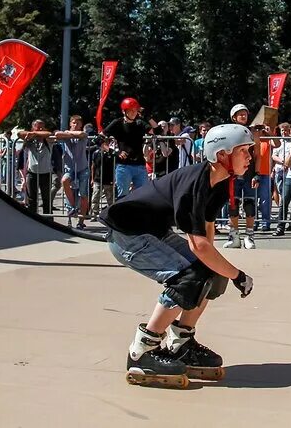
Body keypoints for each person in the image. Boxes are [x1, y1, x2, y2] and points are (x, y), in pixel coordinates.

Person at [102, 123, 255, 388]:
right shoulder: (194, 183)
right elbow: (197, 246)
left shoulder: (219, 182)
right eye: (244, 151)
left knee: (208, 272)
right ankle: (143, 351)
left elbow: (206, 234)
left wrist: (217, 272)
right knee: (188, 277)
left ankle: (180, 343)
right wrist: (236, 275)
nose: (250, 157)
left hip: (151, 233)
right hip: (128, 236)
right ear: (222, 155)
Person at [225, 106, 260, 250]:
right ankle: (234, 236)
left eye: (245, 114)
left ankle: (249, 236)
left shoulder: (252, 132)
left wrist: (257, 173)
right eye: (240, 114)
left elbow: (257, 154)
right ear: (234, 117)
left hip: (249, 172)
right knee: (233, 204)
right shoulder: (229, 132)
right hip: (233, 173)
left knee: (249, 204)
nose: (244, 116)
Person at [104, 97, 153, 198]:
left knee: (143, 195)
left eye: (135, 110)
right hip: (123, 165)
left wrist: (147, 117)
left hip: (140, 164)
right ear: (124, 111)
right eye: (130, 111)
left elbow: (157, 131)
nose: (133, 113)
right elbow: (99, 140)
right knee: (123, 196)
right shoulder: (117, 123)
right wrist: (115, 152)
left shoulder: (140, 123)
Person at [56, 115, 92, 228]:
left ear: (81, 124)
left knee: (83, 194)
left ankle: (81, 221)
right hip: (70, 168)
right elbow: (57, 134)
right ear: (70, 123)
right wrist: (68, 134)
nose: (75, 125)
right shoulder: (66, 134)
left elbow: (82, 134)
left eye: (77, 123)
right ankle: (72, 207)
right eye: (73, 123)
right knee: (64, 180)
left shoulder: (84, 134)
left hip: (83, 168)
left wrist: (68, 134)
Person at [21, 120, 55, 215]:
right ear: (33, 128)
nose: (40, 129)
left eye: (42, 127)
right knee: (32, 199)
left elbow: (49, 134)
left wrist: (37, 133)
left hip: (46, 173)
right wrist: (29, 137)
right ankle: (33, 219)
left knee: (46, 199)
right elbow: (20, 134)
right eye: (37, 127)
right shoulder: (31, 139)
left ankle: (48, 220)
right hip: (32, 173)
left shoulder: (48, 139)